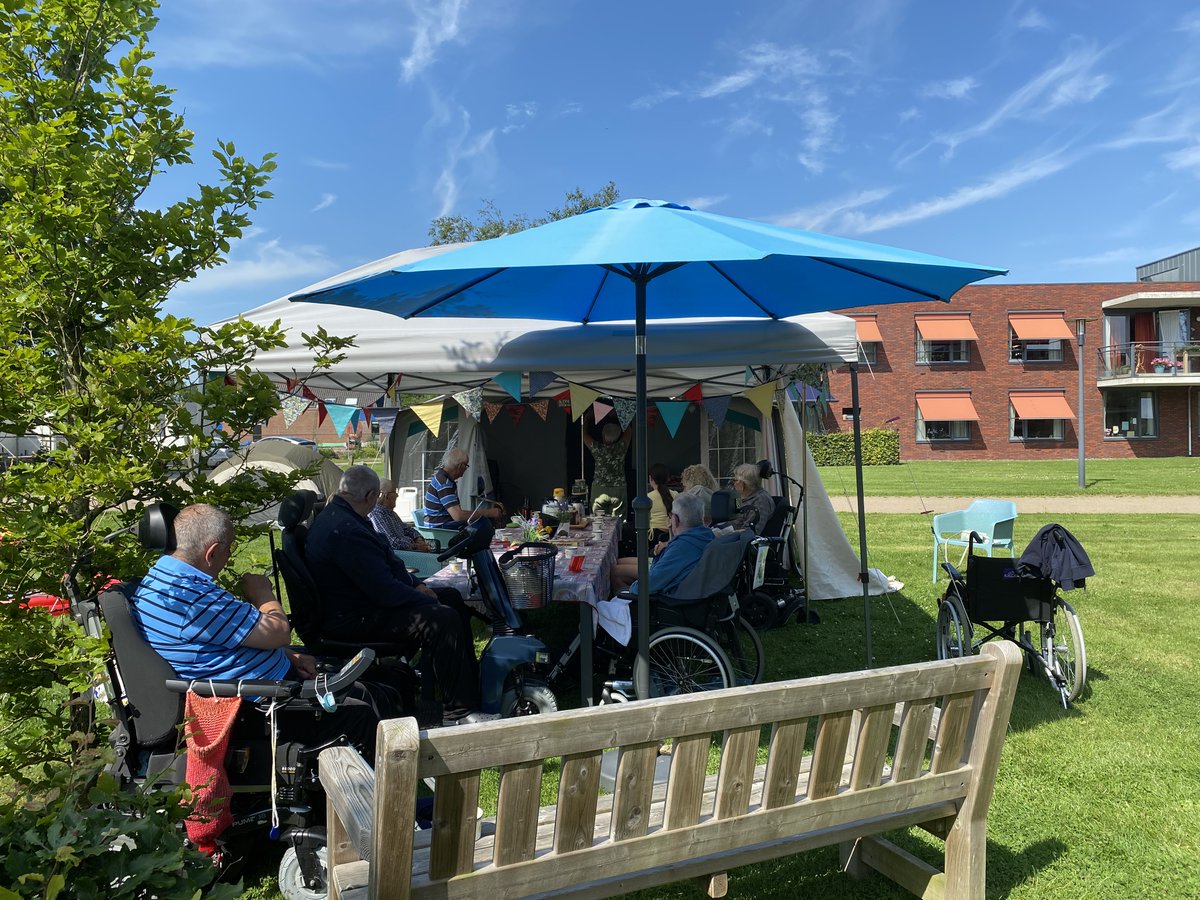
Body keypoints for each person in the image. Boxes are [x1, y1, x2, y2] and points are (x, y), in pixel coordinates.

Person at [128, 504, 387, 756]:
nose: (228, 557)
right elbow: (278, 632)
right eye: (229, 549)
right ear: (212, 553)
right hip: (254, 705)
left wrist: (289, 656)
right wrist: (263, 594)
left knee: (370, 692)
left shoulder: (163, 582)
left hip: (261, 686)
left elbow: (227, 640)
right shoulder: (194, 599)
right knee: (361, 712)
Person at [306, 465, 492, 725]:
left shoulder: (347, 516)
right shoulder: (346, 530)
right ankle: (460, 712)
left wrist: (416, 585)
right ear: (372, 495)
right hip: (353, 618)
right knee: (443, 618)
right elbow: (384, 591)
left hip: (361, 603)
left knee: (450, 596)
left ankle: (468, 683)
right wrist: (423, 597)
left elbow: (389, 563)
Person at [611, 492, 713, 595]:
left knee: (616, 573)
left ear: (675, 519)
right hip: (686, 591)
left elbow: (646, 586)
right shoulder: (706, 536)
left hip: (667, 598)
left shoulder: (681, 548)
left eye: (671, 515)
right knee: (617, 565)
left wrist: (630, 590)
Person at [610, 463, 681, 591]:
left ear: (650, 479)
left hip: (652, 538)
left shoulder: (648, 498)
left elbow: (643, 522)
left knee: (625, 532)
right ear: (668, 479)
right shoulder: (675, 495)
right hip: (667, 536)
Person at [422, 447, 505, 529]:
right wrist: (489, 513)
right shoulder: (444, 483)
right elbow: (458, 516)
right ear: (460, 466)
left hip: (444, 525)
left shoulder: (443, 478)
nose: (466, 469)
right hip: (441, 530)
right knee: (482, 528)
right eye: (466, 466)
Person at [582, 408, 632, 516]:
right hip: (618, 490)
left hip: (599, 489)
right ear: (618, 436)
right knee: (619, 522)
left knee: (597, 521)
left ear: (603, 436)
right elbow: (629, 431)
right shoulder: (621, 447)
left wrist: (586, 419)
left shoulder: (597, 449)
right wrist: (618, 415)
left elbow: (584, 435)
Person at [369, 478, 431, 552]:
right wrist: (415, 546)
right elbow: (391, 542)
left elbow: (407, 529)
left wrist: (418, 539)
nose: (397, 495)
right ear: (386, 496)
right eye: (395, 492)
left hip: (410, 550)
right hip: (401, 554)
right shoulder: (376, 515)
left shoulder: (391, 513)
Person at [729, 462, 777, 535]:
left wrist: (726, 534)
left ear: (742, 483)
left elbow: (751, 531)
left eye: (734, 480)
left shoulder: (761, 500)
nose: (733, 484)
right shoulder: (740, 496)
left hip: (739, 539)